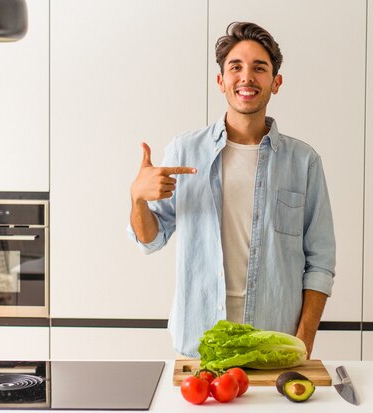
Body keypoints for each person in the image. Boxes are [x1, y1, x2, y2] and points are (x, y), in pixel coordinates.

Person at [128, 22, 335, 358]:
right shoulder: (184, 151)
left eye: (259, 68)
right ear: (220, 81)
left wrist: (302, 343)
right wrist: (137, 198)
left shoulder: (304, 161)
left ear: (276, 82)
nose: (246, 77)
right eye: (235, 67)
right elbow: (151, 240)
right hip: (199, 344)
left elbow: (321, 263)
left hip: (273, 344)